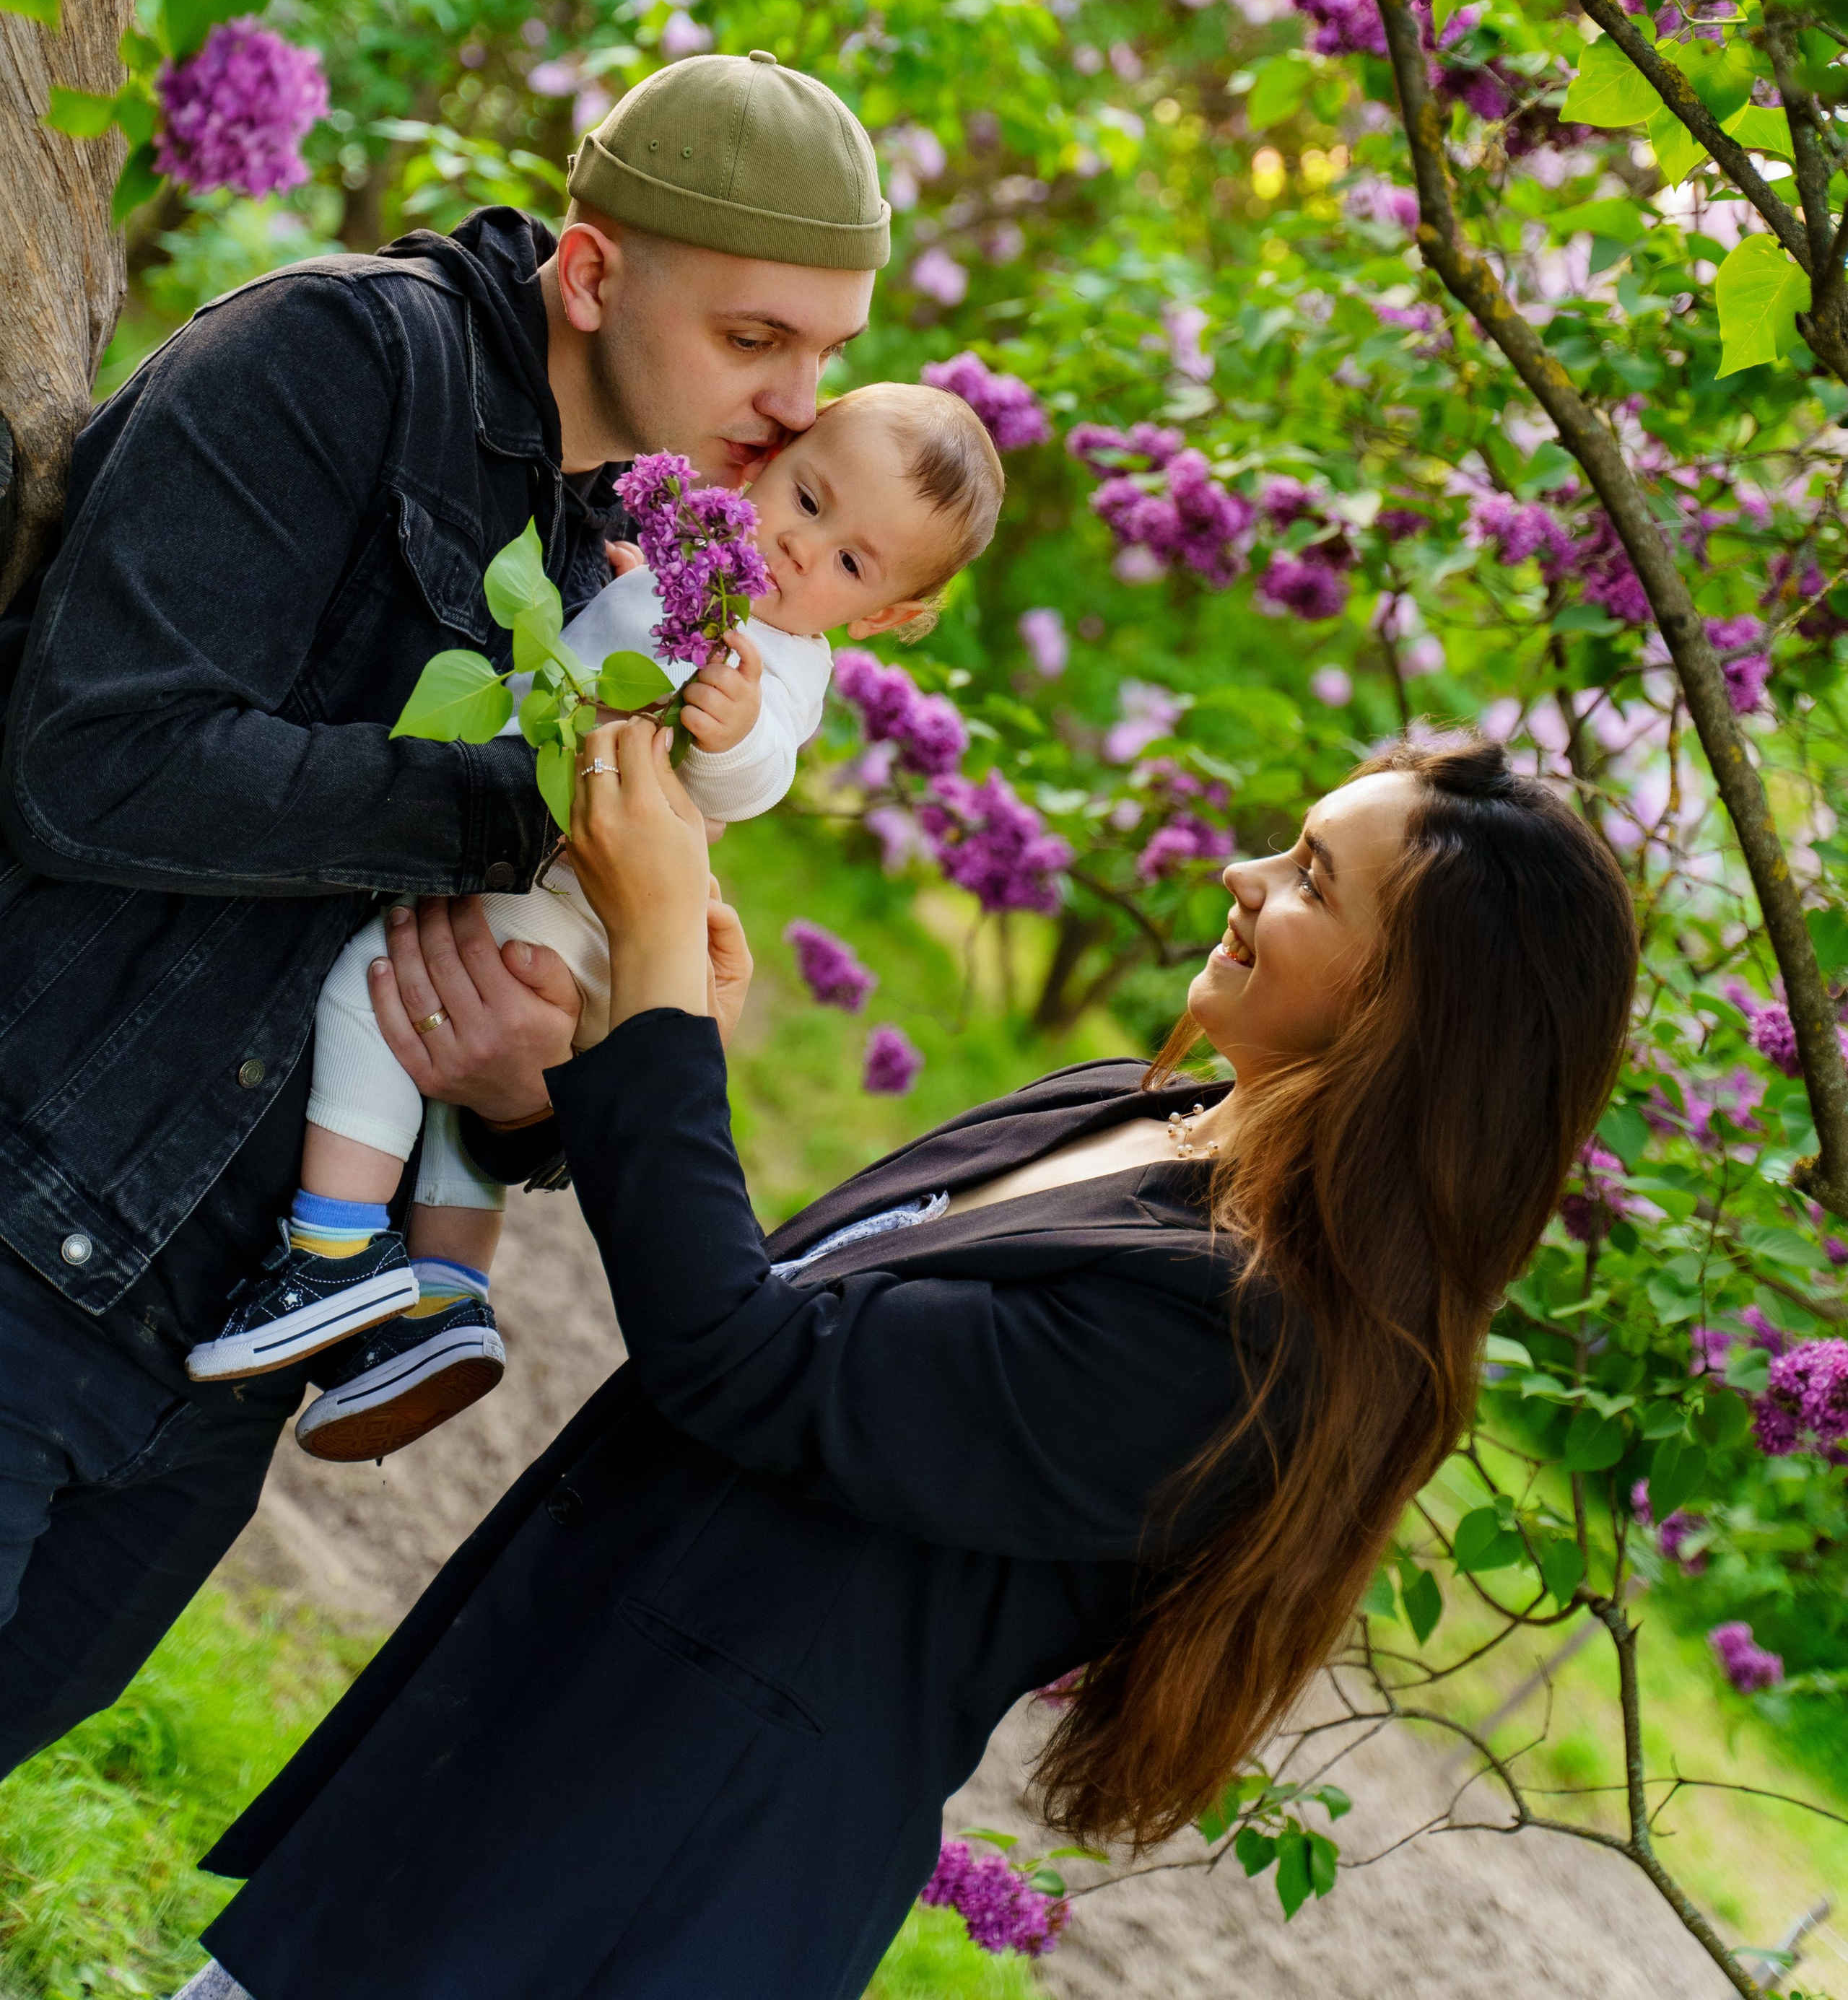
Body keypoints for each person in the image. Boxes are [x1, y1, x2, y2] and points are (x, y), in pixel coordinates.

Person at [178, 728, 1638, 2000]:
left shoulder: (1247, 1343)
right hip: (552, 1714)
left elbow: (746, 1361)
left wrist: (661, 978)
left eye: (1311, 878)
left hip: (650, 1856)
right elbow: (796, 1315)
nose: (1243, 876)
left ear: (1414, 1015)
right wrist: (609, 1052)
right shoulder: (1140, 1117)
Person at [0, 46, 889, 1780]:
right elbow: (88, 766)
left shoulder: (640, 562)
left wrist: (532, 1083)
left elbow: (449, 984)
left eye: (826, 356)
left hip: (224, 1353)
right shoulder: (338, 362)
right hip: (30, 1235)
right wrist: (526, 807)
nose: (797, 409)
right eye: (753, 339)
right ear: (591, 272)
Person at [186, 382, 1004, 1465]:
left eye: (851, 563)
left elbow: (758, 771)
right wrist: (633, 599)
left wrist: (733, 728)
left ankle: (330, 1251)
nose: (801, 550)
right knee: (450, 1100)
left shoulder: (778, 665)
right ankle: (443, 1298)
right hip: (557, 891)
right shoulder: (692, 575)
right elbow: (619, 649)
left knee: (371, 994)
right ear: (768, 462)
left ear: (884, 617)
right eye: (808, 501)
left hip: (570, 898)